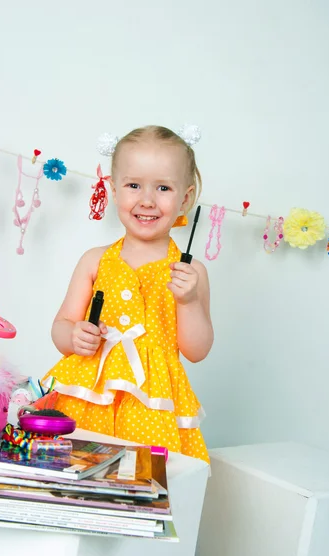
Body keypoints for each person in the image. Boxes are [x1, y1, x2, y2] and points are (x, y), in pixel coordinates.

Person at [42, 125, 213, 462]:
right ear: (114, 190)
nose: (147, 200)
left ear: (186, 198)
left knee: (139, 485)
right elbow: (61, 327)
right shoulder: (95, 260)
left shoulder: (189, 273)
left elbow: (197, 350)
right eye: (134, 185)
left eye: (163, 187)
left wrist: (189, 301)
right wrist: (75, 335)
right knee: (73, 476)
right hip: (87, 395)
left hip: (151, 405)